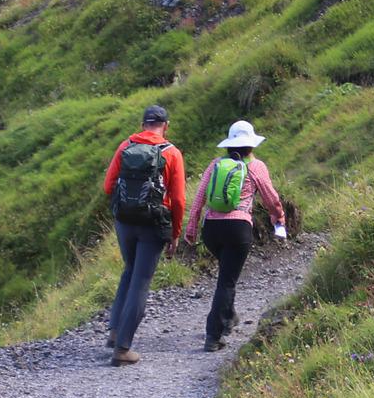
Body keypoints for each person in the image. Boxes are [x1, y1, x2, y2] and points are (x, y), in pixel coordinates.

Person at [183, 120, 286, 352]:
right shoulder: (256, 167)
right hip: (238, 228)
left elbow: (199, 197)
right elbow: (271, 198)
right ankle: (214, 335)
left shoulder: (216, 164)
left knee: (227, 273)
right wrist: (278, 217)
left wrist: (191, 227)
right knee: (227, 281)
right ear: (251, 145)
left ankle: (229, 316)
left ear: (229, 145)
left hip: (211, 230)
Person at [102, 104, 186, 366]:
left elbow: (108, 186)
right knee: (141, 279)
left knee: (129, 270)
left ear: (143, 124)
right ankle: (123, 349)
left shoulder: (125, 146)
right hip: (153, 224)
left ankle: (115, 332)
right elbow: (179, 199)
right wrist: (175, 233)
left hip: (124, 221)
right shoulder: (172, 153)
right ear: (166, 125)